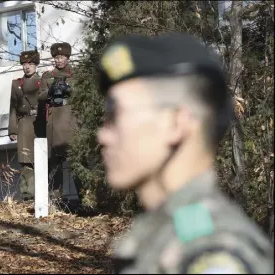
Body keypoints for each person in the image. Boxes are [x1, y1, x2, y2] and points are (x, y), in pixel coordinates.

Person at [96, 34, 274, 273]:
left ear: (176, 124)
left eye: (115, 114)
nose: (103, 136)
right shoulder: (168, 233)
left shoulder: (212, 253)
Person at [38, 42, 83, 209]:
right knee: (55, 166)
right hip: (54, 123)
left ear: (68, 57)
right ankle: (56, 202)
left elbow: (84, 93)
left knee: (77, 164)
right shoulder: (47, 76)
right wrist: (50, 91)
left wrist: (69, 88)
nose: (59, 60)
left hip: (72, 121)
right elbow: (40, 95)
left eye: (62, 57)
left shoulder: (76, 73)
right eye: (56, 57)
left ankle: (85, 199)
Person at [8, 50, 43, 201]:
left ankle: (43, 194)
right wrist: (12, 129)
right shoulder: (17, 84)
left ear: (36, 65)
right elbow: (13, 108)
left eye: (30, 64)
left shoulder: (43, 82)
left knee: (42, 160)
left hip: (40, 123)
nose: (27, 67)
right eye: (24, 64)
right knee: (26, 162)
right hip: (23, 125)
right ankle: (27, 195)